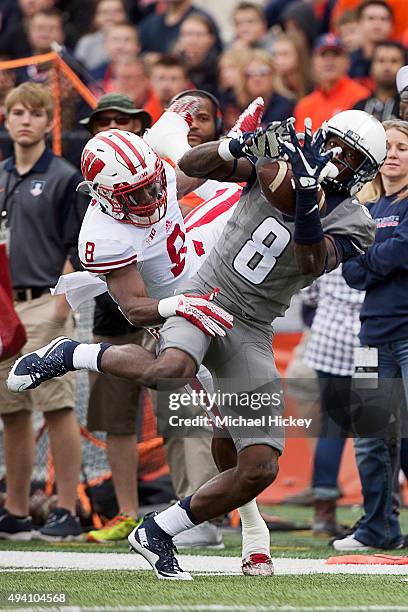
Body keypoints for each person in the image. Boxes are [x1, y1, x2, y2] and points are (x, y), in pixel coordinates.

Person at [8, 108, 387, 578]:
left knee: (258, 464)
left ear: (365, 174)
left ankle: (159, 530)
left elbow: (311, 261)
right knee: (172, 369)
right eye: (336, 146)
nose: (336, 160)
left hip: (254, 326)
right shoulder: (279, 164)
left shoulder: (358, 224)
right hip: (206, 291)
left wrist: (308, 201)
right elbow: (196, 164)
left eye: (352, 159)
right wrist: (238, 146)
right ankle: (72, 354)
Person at [0, 82, 87, 541]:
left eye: (34, 113)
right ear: (6, 118)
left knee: (57, 406)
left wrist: (61, 301)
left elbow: (77, 242)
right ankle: (15, 509)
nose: (25, 120)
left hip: (44, 300)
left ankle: (65, 508)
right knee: (11, 411)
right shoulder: (1, 174)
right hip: (5, 306)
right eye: (17, 112)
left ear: (49, 122)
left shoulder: (63, 176)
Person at [335, 119, 408, 550]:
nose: (395, 153)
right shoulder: (368, 209)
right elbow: (350, 270)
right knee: (369, 437)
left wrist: (372, 257)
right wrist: (380, 258)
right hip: (371, 338)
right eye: (389, 147)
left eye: (404, 146)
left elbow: (401, 250)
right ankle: (378, 528)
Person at [295, 34, 370, 131]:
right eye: (323, 55)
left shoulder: (361, 97)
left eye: (336, 54)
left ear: (348, 62)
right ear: (313, 62)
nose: (329, 61)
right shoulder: (304, 106)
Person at [353, 41, 406, 121]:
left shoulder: (406, 107)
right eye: (381, 61)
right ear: (371, 67)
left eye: (394, 61)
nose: (387, 67)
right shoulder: (359, 108)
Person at [348, 0, 394, 87]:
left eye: (383, 19)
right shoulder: (347, 62)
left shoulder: (402, 60)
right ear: (358, 23)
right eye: (371, 18)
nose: (377, 23)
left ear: (391, 25)